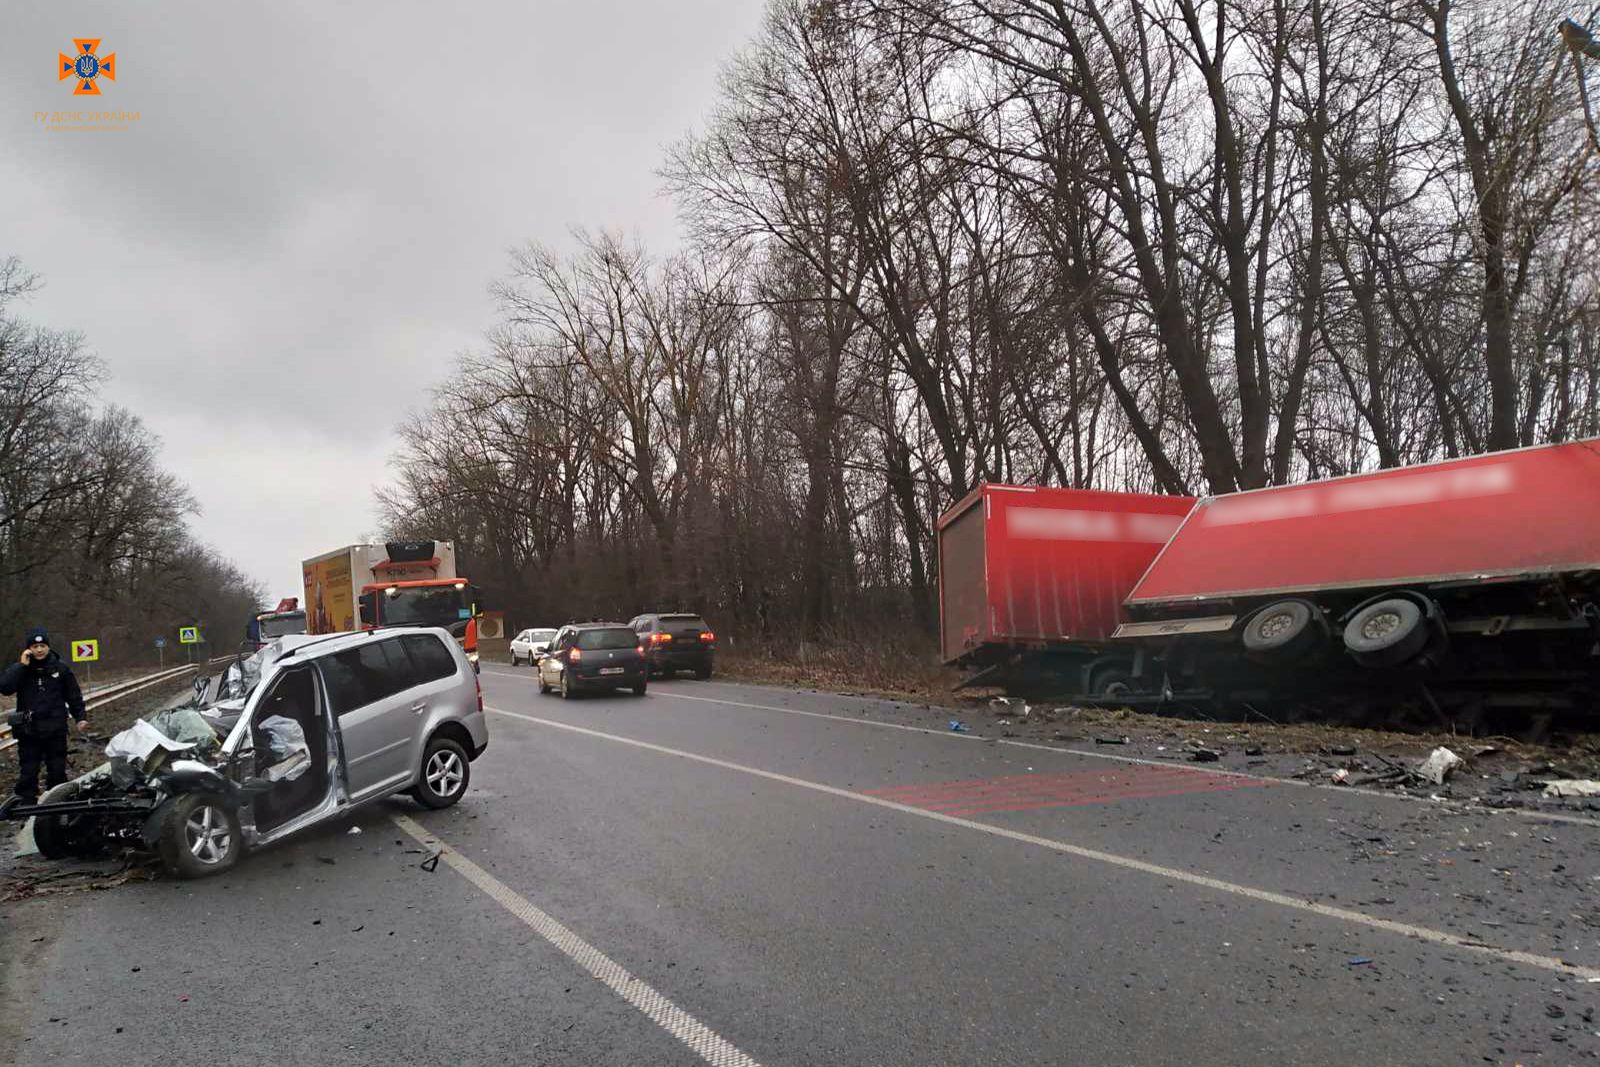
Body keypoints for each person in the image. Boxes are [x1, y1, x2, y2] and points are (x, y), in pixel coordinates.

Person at [0, 628, 88, 804]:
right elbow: (5, 687)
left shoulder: (61, 669)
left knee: (56, 769)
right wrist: (21, 666)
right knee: (28, 770)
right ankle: (26, 805)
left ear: (48, 647)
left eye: (42, 646)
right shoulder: (21, 671)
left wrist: (80, 717)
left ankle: (56, 803)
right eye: (34, 646)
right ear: (28, 649)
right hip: (28, 731)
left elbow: (73, 695)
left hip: (55, 729)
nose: (39, 650)